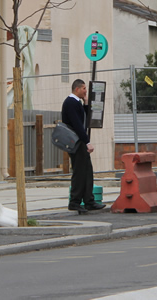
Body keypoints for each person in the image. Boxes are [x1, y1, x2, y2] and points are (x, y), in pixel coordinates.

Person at [61, 78, 106, 214]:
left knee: (87, 170)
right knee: (80, 171)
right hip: (76, 141)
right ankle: (74, 202)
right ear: (77, 89)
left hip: (79, 140)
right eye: (84, 88)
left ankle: (89, 200)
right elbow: (78, 125)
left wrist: (86, 103)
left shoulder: (77, 102)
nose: (86, 91)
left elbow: (85, 118)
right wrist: (87, 142)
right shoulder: (70, 103)